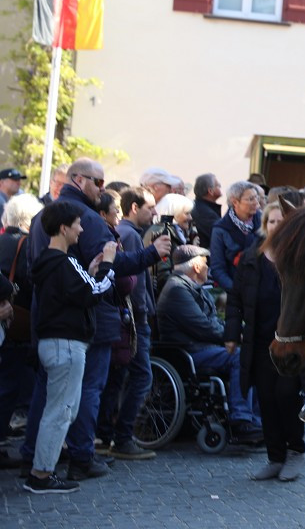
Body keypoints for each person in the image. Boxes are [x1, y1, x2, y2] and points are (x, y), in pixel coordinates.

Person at [19, 159, 170, 482]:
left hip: (51, 323)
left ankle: (37, 459)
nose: (102, 189)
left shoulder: (46, 222)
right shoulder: (77, 220)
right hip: (76, 328)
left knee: (51, 398)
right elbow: (96, 285)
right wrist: (146, 255)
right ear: (77, 180)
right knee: (75, 398)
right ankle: (66, 462)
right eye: (98, 182)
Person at [23, 202, 116, 494]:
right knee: (61, 411)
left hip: (56, 343)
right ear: (63, 228)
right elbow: (94, 292)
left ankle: (41, 470)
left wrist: (91, 270)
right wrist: (110, 266)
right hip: (65, 345)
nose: (81, 229)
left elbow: (78, 287)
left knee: (59, 409)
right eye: (77, 223)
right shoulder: (63, 262)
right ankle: (40, 475)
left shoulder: (52, 261)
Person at [227, 197, 305, 481]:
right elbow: (236, 299)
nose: (276, 226)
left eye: (281, 221)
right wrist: (231, 334)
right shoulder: (252, 258)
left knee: (286, 395)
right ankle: (275, 457)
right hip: (259, 341)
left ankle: (296, 451)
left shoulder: (298, 258)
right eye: (272, 221)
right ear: (265, 225)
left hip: (291, 341)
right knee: (266, 398)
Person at [157, 245, 263, 442]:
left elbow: (213, 323)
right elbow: (203, 327)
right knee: (241, 357)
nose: (209, 269)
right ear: (196, 267)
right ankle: (241, 418)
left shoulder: (191, 288)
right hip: (189, 353)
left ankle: (256, 420)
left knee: (252, 354)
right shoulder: (177, 290)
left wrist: (238, 332)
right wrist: (234, 336)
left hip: (202, 348)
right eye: (206, 264)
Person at [97, 187, 158, 461]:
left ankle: (108, 435)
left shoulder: (128, 233)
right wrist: (141, 313)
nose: (154, 213)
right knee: (140, 376)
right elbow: (132, 281)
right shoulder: (130, 235)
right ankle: (120, 436)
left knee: (118, 377)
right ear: (134, 207)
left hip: (133, 317)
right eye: (150, 207)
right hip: (133, 319)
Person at [0, 194, 43, 458]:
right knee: (8, 387)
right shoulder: (28, 245)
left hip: (9, 319)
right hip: (17, 320)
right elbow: (30, 282)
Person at [209, 181, 262, 291]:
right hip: (235, 289)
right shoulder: (221, 229)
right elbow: (217, 268)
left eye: (257, 197)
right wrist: (235, 289)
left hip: (263, 288)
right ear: (235, 202)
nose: (256, 202)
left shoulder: (265, 221)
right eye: (251, 199)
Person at [192, 173, 223, 252]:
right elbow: (219, 237)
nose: (220, 187)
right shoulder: (205, 213)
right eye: (218, 185)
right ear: (210, 191)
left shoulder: (202, 207)